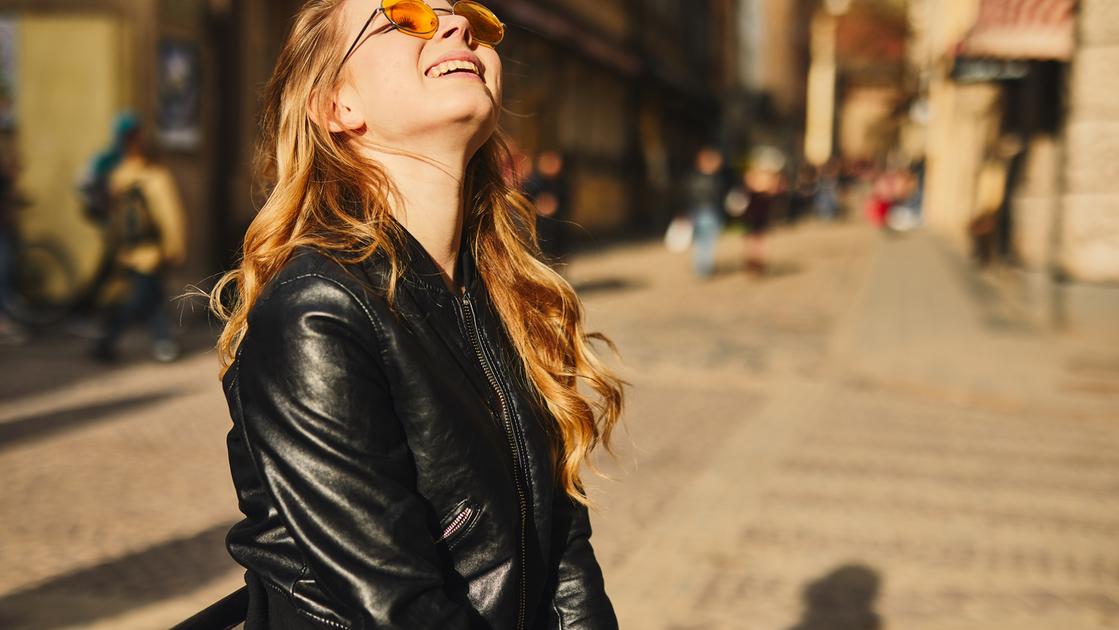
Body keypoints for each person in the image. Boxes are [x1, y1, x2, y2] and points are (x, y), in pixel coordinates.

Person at [205, 2, 625, 628]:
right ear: (340, 106)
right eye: (405, 19)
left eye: (471, 20)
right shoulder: (317, 311)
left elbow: (565, 553)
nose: (456, 27)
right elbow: (400, 611)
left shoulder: (509, 295)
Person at [91, 116, 186, 362]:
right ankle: (109, 338)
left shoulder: (118, 176)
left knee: (151, 296)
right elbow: (170, 217)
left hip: (130, 250)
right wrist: (175, 247)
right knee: (140, 300)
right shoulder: (156, 178)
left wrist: (113, 248)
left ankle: (163, 342)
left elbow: (113, 217)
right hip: (150, 252)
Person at [522, 150, 571, 267]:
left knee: (557, 252)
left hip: (557, 224)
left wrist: (555, 206)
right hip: (538, 224)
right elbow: (525, 199)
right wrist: (538, 206)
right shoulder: (534, 181)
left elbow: (566, 201)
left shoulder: (561, 182)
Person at [684, 145, 725, 278]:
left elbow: (688, 195)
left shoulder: (693, 177)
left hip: (698, 212)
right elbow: (716, 196)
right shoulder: (714, 179)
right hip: (708, 212)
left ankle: (701, 267)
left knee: (701, 242)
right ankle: (704, 268)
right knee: (707, 242)